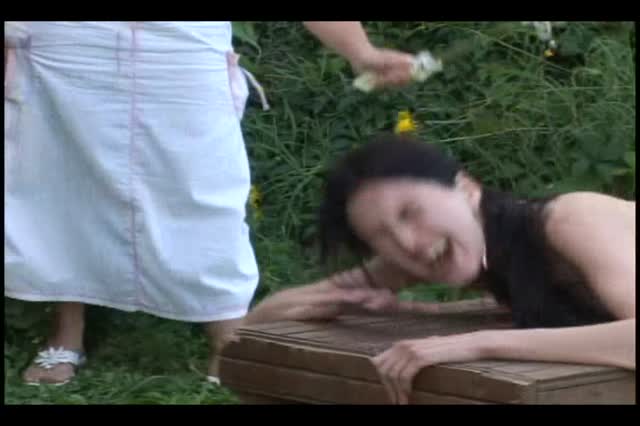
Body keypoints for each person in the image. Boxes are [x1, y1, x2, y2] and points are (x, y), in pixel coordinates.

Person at [4, 21, 415, 386]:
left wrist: (361, 52)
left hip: (184, 43)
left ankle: (228, 333)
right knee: (63, 184)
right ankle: (66, 330)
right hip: (64, 42)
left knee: (205, 189)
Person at [235, 133, 635, 404]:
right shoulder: (438, 252)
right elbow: (253, 328)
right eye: (381, 236)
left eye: (410, 212)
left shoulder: (572, 219)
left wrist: (476, 343)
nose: (408, 243)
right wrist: (342, 302)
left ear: (466, 188)